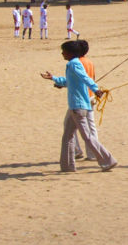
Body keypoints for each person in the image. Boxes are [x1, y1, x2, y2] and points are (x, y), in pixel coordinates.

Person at [40, 40, 117, 173]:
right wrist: (53, 78)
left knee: (86, 136)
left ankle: (108, 161)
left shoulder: (74, 64)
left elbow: (84, 77)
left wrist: (96, 88)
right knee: (67, 136)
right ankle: (68, 167)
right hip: (74, 107)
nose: (62, 53)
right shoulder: (73, 64)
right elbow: (68, 81)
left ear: (70, 53)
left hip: (78, 107)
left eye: (63, 51)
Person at [72, 40, 100, 162]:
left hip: (81, 99)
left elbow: (78, 79)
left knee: (72, 127)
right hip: (91, 96)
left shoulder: (76, 63)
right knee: (91, 126)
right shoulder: (89, 62)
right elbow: (92, 78)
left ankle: (77, 151)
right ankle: (92, 153)